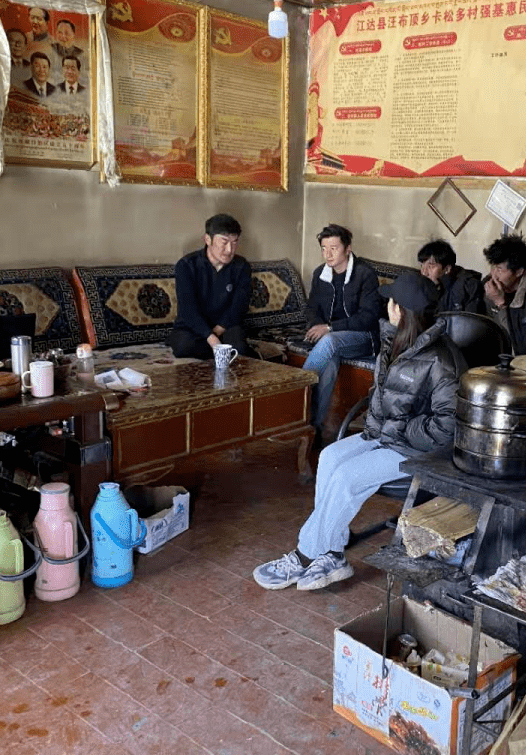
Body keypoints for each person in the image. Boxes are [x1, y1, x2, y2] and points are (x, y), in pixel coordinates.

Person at [253, 273, 464, 591]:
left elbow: (448, 426)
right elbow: (381, 395)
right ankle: (333, 553)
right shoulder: (395, 341)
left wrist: (403, 428)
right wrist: (385, 428)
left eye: (391, 302)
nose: (387, 307)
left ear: (401, 310)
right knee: (329, 457)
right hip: (384, 436)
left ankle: (306, 553)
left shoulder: (440, 360)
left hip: (416, 450)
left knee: (346, 477)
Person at [303, 224, 382, 432]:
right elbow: (311, 308)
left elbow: (368, 318)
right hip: (334, 341)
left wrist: (329, 329)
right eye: (323, 248)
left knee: (329, 342)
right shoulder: (321, 273)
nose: (327, 254)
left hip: (364, 338)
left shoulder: (365, 274)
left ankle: (297, 393)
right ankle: (313, 427)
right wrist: (316, 325)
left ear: (347, 249)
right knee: (328, 361)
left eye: (334, 248)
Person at [167, 213, 252, 359]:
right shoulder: (187, 265)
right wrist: (211, 338)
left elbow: (239, 305)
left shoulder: (242, 266)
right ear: (207, 239)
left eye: (234, 242)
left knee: (240, 347)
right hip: (193, 327)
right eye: (224, 242)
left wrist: (218, 331)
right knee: (183, 347)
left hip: (226, 326)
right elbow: (188, 309)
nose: (229, 250)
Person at [417, 239, 482, 313]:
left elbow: (470, 321)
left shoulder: (469, 286)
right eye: (422, 265)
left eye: (431, 266)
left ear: (447, 268)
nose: (424, 272)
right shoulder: (427, 285)